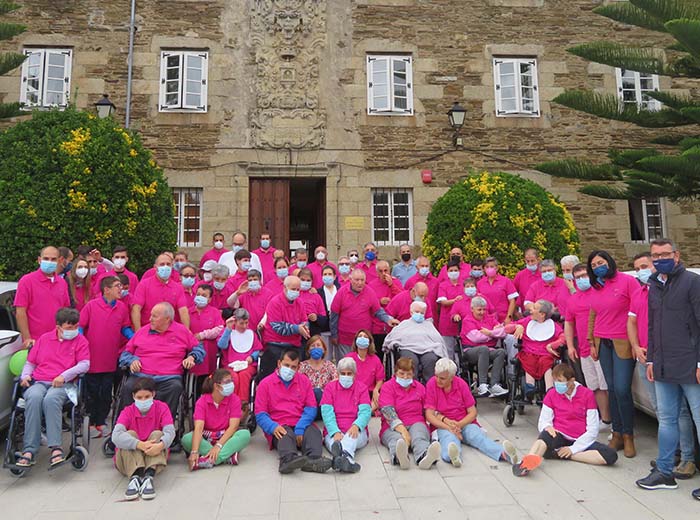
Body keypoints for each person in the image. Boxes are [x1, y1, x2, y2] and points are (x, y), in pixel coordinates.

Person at [636, 239, 700, 497]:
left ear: (677, 255)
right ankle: (664, 471)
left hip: (689, 364)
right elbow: (652, 327)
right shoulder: (653, 285)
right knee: (667, 419)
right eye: (655, 255)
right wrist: (651, 360)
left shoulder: (692, 282)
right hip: (662, 365)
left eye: (665, 254)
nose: (660, 258)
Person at [15, 308, 90, 468]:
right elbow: (31, 362)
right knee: (33, 397)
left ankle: (56, 447)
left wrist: (64, 376)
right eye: (69, 328)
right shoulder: (44, 339)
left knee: (51, 399)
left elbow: (84, 364)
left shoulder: (81, 341)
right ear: (58, 327)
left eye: (76, 326)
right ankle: (29, 449)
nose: (74, 331)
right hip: (40, 380)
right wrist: (25, 375)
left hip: (65, 384)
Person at [512, 364, 618, 477]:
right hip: (560, 434)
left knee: (610, 455)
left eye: (560, 381)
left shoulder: (587, 394)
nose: (557, 384)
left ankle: (559, 454)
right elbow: (544, 420)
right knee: (544, 436)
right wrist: (547, 427)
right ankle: (527, 462)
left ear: (571, 381)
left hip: (580, 438)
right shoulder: (552, 394)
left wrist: (572, 449)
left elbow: (593, 429)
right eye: (555, 381)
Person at [586, 249, 639, 458]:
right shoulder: (597, 286)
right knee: (612, 390)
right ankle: (616, 433)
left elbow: (638, 311)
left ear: (609, 261)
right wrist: (591, 342)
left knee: (622, 388)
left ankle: (628, 435)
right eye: (593, 265)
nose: (598, 266)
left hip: (623, 341)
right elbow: (593, 315)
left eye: (601, 262)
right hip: (602, 341)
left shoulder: (627, 281)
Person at [425, 358, 518, 467]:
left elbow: (473, 412)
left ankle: (504, 453)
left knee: (477, 437)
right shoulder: (432, 383)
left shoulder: (461, 384)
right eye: (436, 376)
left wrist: (458, 425)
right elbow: (429, 415)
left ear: (451, 377)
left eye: (442, 378)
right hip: (442, 425)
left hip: (464, 422)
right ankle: (453, 457)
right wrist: (450, 427)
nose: (438, 380)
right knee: (449, 439)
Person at [119, 302, 205, 419]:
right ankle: (124, 426)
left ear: (167, 319)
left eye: (154, 316)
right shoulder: (142, 332)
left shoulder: (182, 331)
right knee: (128, 387)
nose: (150, 319)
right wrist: (132, 360)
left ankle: (164, 427)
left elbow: (199, 348)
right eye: (151, 315)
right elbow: (125, 354)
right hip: (141, 375)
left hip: (169, 378)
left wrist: (192, 357)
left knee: (175, 387)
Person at [254, 349, 333, 474]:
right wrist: (273, 427)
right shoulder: (265, 384)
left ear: (298, 367)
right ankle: (288, 461)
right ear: (279, 363)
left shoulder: (304, 381)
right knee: (285, 436)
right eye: (286, 365)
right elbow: (260, 413)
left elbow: (311, 407)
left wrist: (301, 427)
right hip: (279, 424)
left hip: (300, 421)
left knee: (314, 434)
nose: (289, 369)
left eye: (293, 367)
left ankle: (312, 461)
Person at [79, 276, 134, 438]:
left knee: (106, 392)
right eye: (117, 286)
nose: (120, 289)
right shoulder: (91, 306)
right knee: (92, 391)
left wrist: (136, 338)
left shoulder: (122, 308)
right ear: (106, 289)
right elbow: (81, 327)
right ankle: (91, 421)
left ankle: (101, 421)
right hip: (92, 358)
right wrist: (81, 344)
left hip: (110, 358)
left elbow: (125, 328)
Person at [564, 264, 611, 429]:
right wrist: (570, 346)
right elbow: (569, 324)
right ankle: (605, 419)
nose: (582, 279)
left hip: (602, 348)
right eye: (578, 277)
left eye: (584, 275)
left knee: (607, 386)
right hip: (584, 350)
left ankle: (616, 421)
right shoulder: (573, 299)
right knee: (594, 386)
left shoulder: (600, 293)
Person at [112, 377, 174, 500]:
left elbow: (170, 432)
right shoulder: (128, 411)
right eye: (139, 397)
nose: (143, 400)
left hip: (154, 455)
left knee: (157, 434)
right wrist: (139, 444)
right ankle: (134, 478)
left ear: (153, 394)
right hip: (128, 460)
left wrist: (160, 446)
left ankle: (149, 477)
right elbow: (116, 435)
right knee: (129, 434)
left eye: (147, 396)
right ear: (133, 396)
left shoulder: (162, 407)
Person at [379, 356, 442, 469]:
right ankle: (400, 458)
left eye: (408, 374)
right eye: (401, 373)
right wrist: (404, 433)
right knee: (396, 440)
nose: (405, 377)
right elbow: (388, 411)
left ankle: (425, 456)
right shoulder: (387, 387)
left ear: (413, 374)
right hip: (391, 426)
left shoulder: (420, 388)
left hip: (416, 421)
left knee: (419, 436)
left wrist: (442, 420)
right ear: (395, 372)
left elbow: (428, 408)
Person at [183, 369, 251, 470]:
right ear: (216, 386)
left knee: (245, 434)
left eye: (231, 381)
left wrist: (218, 446)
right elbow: (199, 427)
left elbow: (233, 427)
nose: (231, 384)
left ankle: (206, 461)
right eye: (227, 382)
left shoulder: (234, 399)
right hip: (207, 438)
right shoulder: (202, 402)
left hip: (226, 437)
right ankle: (226, 456)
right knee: (187, 439)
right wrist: (194, 452)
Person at [330, 269, 399, 360]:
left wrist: (388, 320)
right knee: (345, 365)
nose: (360, 283)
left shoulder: (370, 292)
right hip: (345, 339)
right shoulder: (342, 292)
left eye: (362, 280)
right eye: (357, 280)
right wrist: (334, 335)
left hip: (363, 339)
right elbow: (334, 315)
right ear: (351, 280)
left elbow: (378, 311)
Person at [15, 246, 71, 349]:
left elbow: (65, 311)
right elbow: (20, 312)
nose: (49, 262)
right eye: (46, 259)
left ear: (59, 261)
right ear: (39, 260)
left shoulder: (62, 283)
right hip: (35, 342)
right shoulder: (27, 281)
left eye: (53, 259)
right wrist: (27, 338)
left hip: (57, 341)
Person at [320, 357, 370, 472]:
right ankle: (347, 460)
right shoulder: (330, 388)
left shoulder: (362, 388)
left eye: (349, 373)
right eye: (343, 373)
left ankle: (341, 457)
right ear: (338, 374)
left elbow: (365, 412)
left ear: (354, 374)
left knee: (350, 439)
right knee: (336, 442)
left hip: (356, 430)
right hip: (333, 432)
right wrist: (335, 431)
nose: (346, 376)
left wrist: (356, 426)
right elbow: (327, 413)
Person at [507, 299, 565, 392]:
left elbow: (563, 337)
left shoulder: (552, 325)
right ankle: (530, 385)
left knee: (546, 363)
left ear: (542, 314)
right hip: (529, 352)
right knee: (528, 361)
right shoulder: (526, 321)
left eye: (534, 308)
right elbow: (506, 328)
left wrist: (553, 345)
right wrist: (517, 326)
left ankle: (549, 388)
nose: (530, 310)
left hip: (545, 353)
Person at [383, 302, 448, 384]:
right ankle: (412, 384)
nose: (419, 314)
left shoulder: (429, 325)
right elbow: (392, 338)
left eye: (422, 313)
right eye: (417, 312)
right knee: (411, 361)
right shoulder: (404, 324)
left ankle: (429, 385)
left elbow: (438, 340)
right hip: (407, 348)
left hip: (427, 349)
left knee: (431, 359)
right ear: (411, 312)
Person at [260, 275, 310, 379]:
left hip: (294, 344)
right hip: (276, 343)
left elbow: (304, 320)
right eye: (293, 289)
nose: (295, 292)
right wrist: (297, 329)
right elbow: (278, 327)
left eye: (297, 289)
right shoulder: (275, 303)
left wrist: (305, 328)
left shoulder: (300, 303)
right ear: (284, 288)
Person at [457, 296, 508, 397]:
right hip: (470, 351)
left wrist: (489, 332)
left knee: (501, 352)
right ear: (472, 309)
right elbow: (476, 338)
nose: (482, 312)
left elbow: (503, 332)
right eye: (479, 310)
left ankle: (494, 384)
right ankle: (482, 385)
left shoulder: (490, 318)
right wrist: (493, 334)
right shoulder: (468, 320)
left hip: (489, 349)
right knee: (483, 349)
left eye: (484, 309)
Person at [218, 308, 262, 415]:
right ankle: (231, 404)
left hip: (247, 364)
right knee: (234, 378)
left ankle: (243, 406)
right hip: (230, 365)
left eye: (246, 323)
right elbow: (221, 345)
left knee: (244, 375)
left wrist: (252, 357)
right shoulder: (229, 332)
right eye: (241, 323)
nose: (244, 326)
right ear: (235, 322)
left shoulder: (251, 334)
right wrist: (228, 329)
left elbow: (258, 349)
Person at [131, 254, 190, 330]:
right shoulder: (144, 285)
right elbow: (136, 309)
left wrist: (186, 333)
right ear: (155, 267)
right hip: (149, 330)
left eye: (168, 264)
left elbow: (183, 311)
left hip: (170, 332)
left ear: (172, 266)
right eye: (162, 264)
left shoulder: (178, 288)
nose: (165, 267)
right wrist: (138, 332)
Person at [189, 284, 225, 385]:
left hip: (209, 350)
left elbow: (219, 329)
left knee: (207, 379)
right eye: (198, 294)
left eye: (204, 296)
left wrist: (203, 335)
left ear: (209, 299)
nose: (200, 297)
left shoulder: (215, 312)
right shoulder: (188, 312)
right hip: (191, 348)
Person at [345, 330, 385, 410]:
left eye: (365, 337)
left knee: (380, 398)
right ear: (356, 340)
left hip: (369, 392)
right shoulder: (349, 358)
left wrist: (376, 390)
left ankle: (367, 411)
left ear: (370, 342)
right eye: (360, 336)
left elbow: (380, 379)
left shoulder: (375, 359)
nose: (362, 338)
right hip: (353, 391)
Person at [368, 260, 403, 352]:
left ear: (390, 271)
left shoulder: (397, 283)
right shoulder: (371, 285)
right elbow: (369, 304)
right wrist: (379, 301)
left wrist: (392, 285)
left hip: (394, 326)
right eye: (381, 271)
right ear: (377, 273)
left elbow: (403, 298)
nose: (383, 273)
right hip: (377, 327)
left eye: (386, 270)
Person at [299, 335, 338, 408]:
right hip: (307, 402)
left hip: (326, 402)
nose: (316, 348)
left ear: (323, 349)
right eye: (313, 346)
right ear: (308, 350)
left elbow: (335, 384)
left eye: (318, 345)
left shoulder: (330, 366)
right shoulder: (302, 366)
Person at [436, 259, 465, 357]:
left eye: (455, 270)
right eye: (451, 271)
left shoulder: (464, 285)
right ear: (447, 272)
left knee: (462, 351)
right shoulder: (443, 285)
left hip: (462, 323)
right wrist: (455, 301)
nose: (453, 273)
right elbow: (443, 302)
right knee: (448, 351)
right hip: (447, 323)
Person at [477, 257, 518, 324]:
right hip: (486, 320)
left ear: (497, 268)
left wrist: (509, 317)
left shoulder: (506, 281)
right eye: (487, 267)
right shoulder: (480, 283)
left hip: (504, 319)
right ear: (484, 269)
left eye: (492, 266)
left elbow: (512, 301)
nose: (489, 268)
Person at [298, 268, 329, 337]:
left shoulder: (316, 296)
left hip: (313, 332)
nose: (305, 282)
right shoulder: (294, 294)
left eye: (308, 280)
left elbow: (324, 319)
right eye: (302, 280)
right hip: (297, 331)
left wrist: (316, 318)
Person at [318, 265, 340, 349]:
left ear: (334, 276)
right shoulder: (318, 292)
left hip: (338, 327)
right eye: (325, 274)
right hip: (324, 328)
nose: (327, 276)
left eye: (330, 274)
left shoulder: (340, 290)